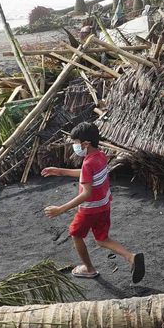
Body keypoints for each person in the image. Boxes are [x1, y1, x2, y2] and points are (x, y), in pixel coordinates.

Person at [41, 121, 145, 282]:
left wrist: (60, 209)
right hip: (104, 205)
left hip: (89, 210)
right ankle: (131, 257)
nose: (75, 146)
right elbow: (85, 175)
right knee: (102, 239)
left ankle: (88, 268)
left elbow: (86, 194)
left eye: (76, 143)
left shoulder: (88, 163)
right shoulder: (100, 156)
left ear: (86, 143)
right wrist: (60, 171)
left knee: (75, 234)